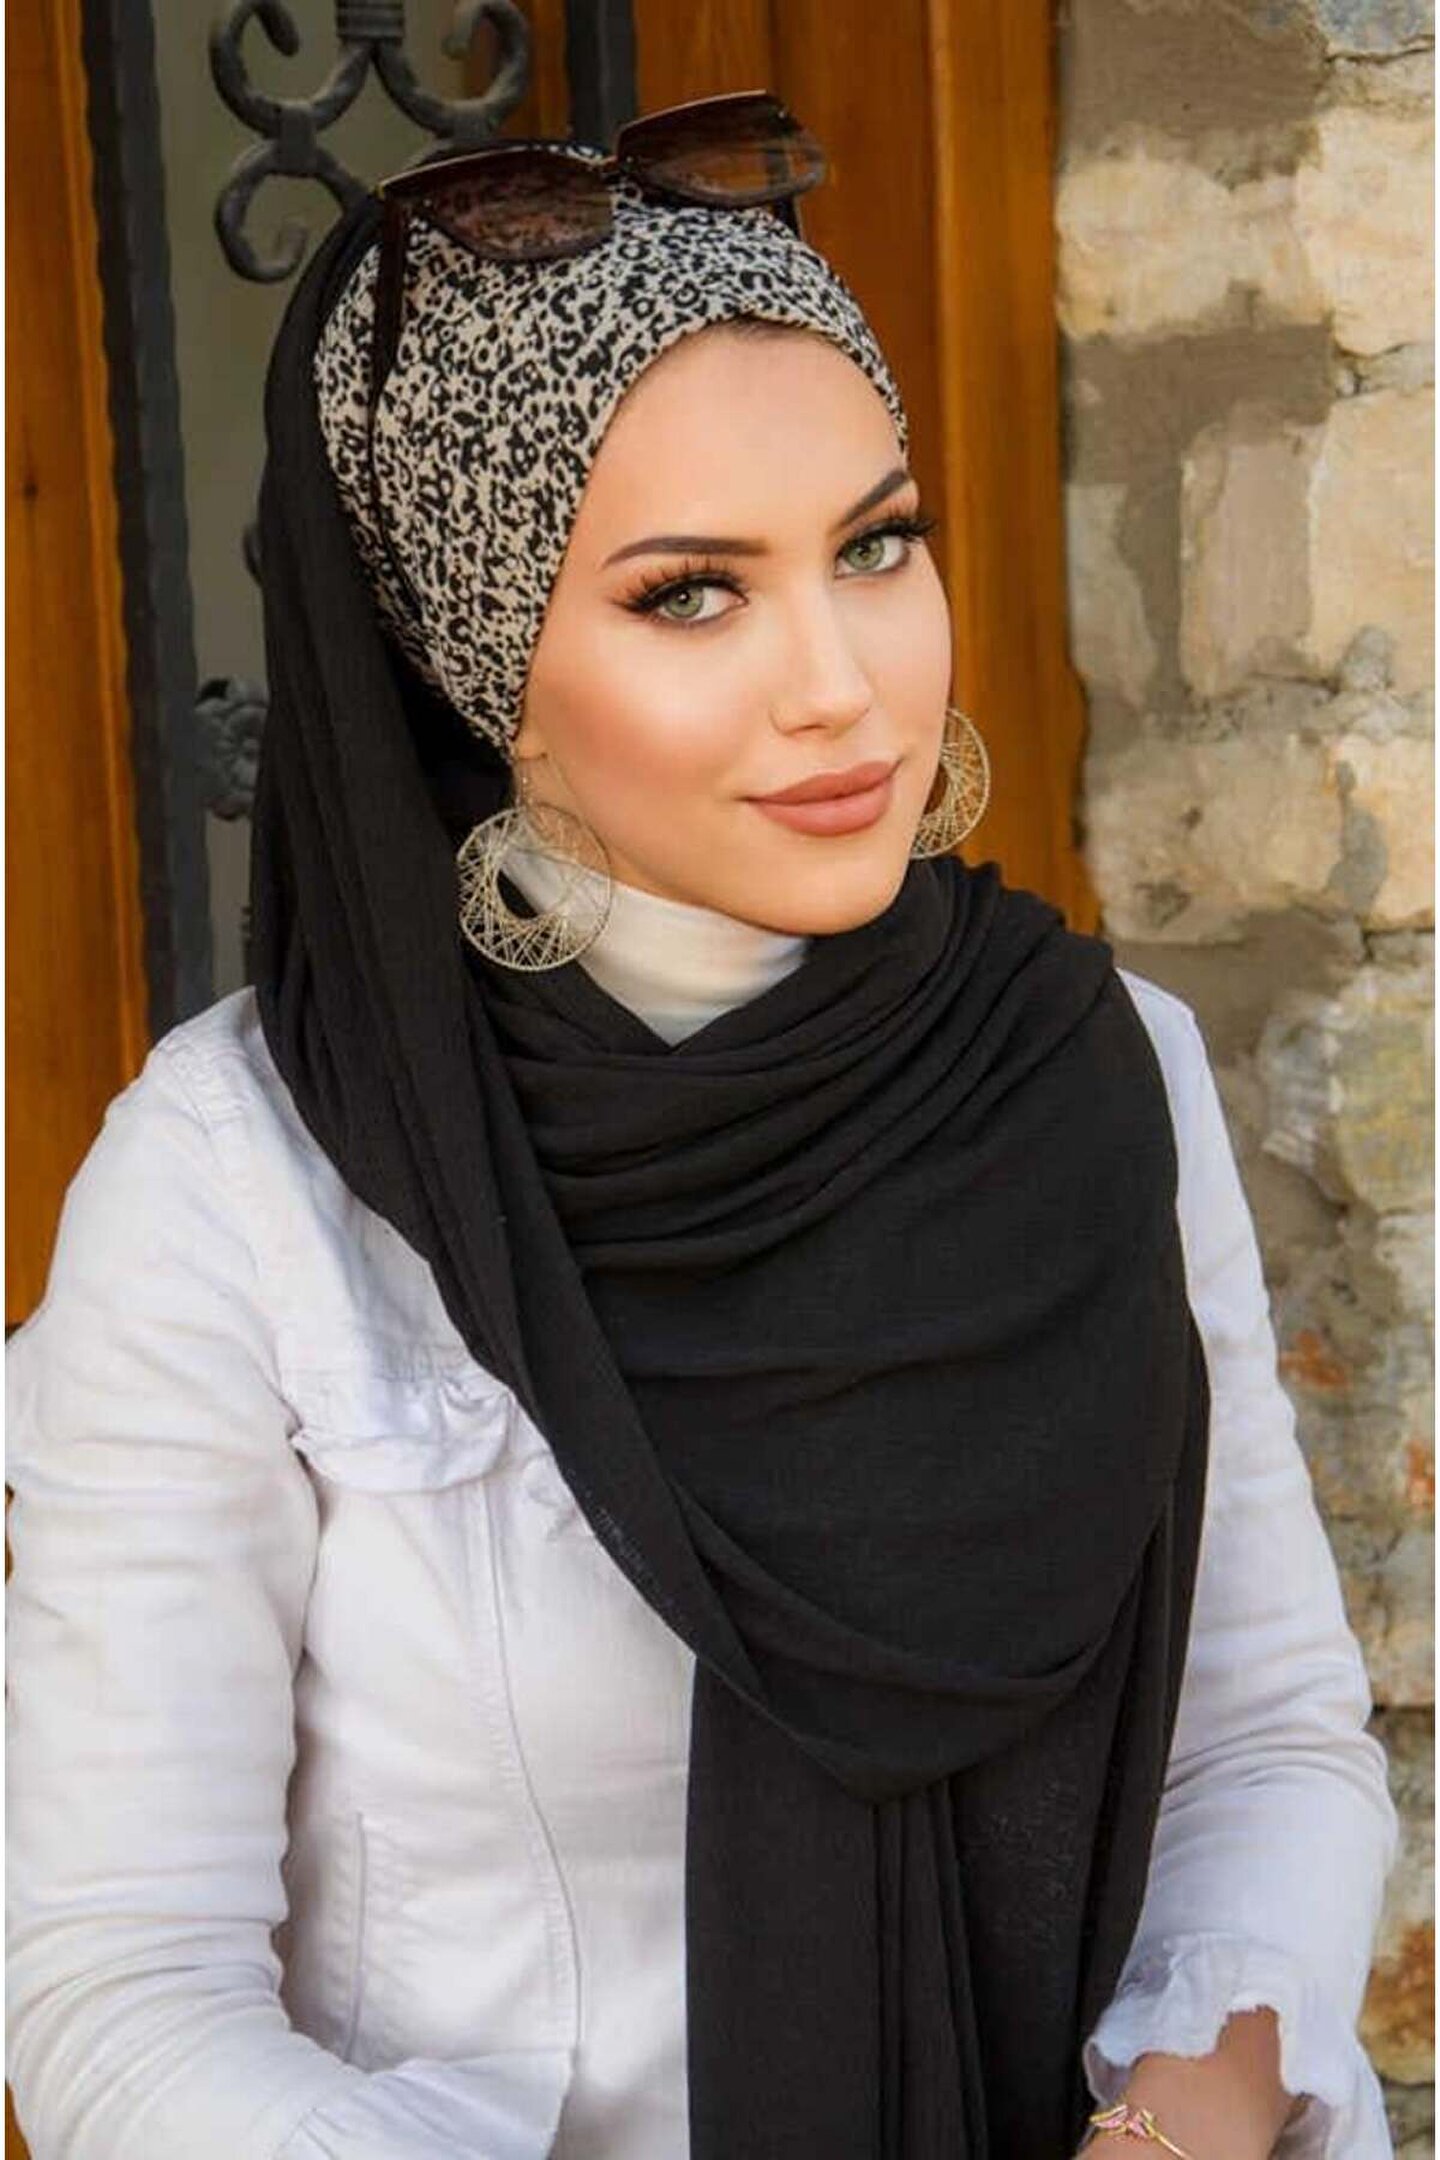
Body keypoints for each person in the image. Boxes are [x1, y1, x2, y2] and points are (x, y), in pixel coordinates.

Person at [6, 94, 1399, 2160]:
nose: (840, 684)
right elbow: (117, 1993)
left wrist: (1173, 2135)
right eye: (688, 595)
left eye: (876, 545)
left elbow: (1260, 1743)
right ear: (479, 661)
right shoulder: (240, 1188)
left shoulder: (1094, 1066)